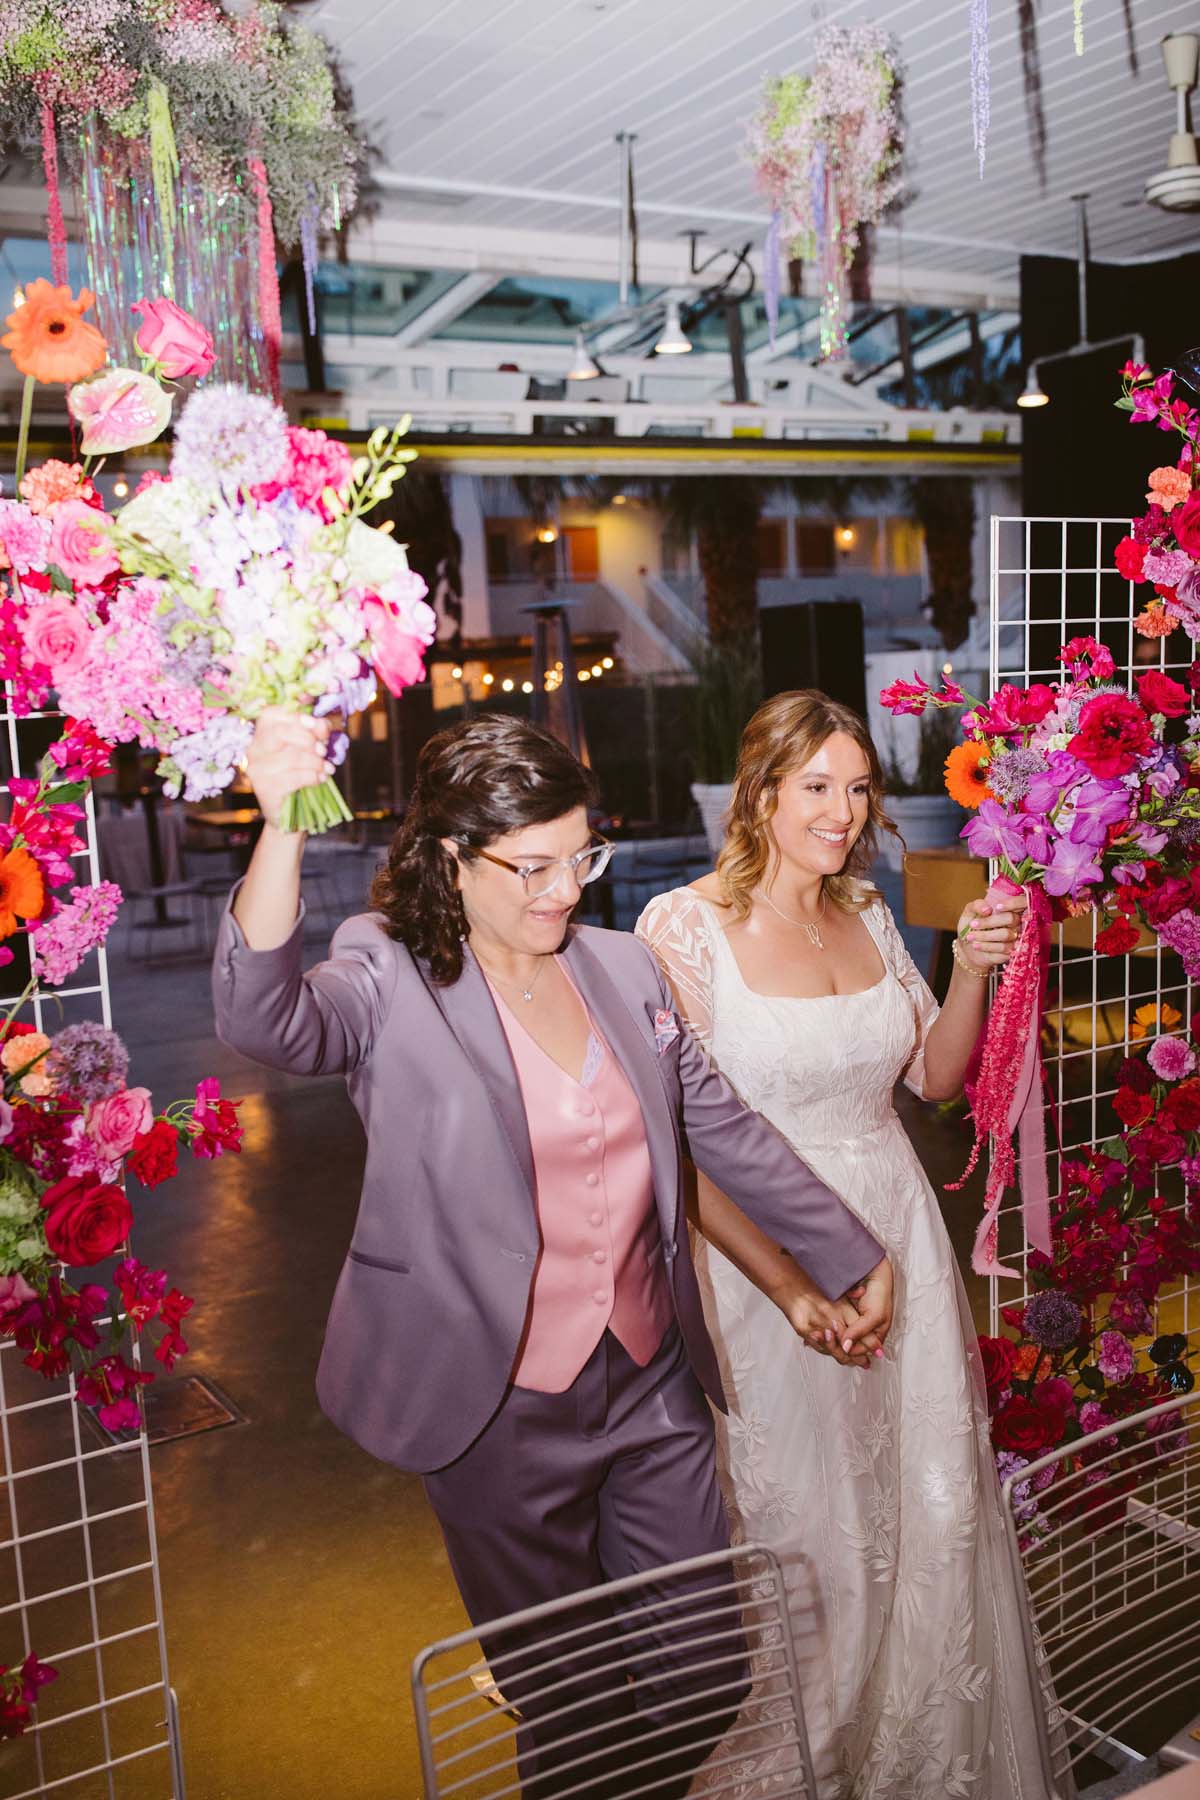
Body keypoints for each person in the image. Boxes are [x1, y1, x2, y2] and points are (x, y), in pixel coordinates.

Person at [212, 707, 895, 1799]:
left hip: (647, 1376)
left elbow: (716, 1125)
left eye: (582, 856)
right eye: (530, 866)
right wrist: (284, 823)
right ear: (450, 857)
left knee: (708, 1671)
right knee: (567, 1698)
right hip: (492, 1403)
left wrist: (846, 1253)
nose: (563, 890)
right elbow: (267, 1022)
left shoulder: (623, 970)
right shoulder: (386, 972)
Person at [637, 689, 1055, 1800]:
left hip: (897, 1236)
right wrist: (786, 1288)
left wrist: (967, 962)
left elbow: (933, 1079)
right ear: (760, 792)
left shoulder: (868, 913)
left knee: (920, 1514)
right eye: (816, 785)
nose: (842, 809)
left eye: (858, 786)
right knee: (807, 1540)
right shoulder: (681, 929)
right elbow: (672, 1145)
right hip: (758, 1266)